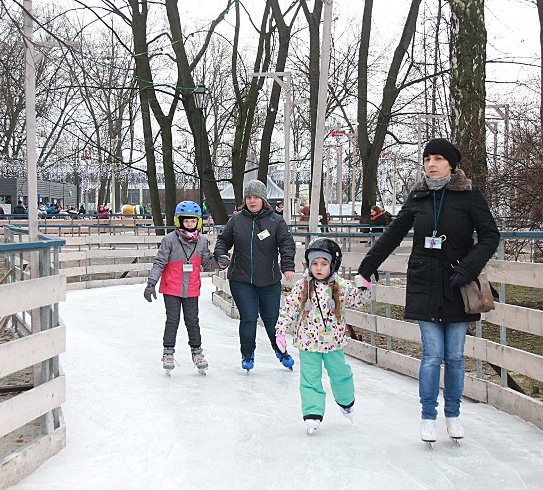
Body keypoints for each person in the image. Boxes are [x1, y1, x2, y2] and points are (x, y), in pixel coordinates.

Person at [356, 138, 500, 444]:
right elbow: (392, 234)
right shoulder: (419, 197)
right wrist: (367, 267)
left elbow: (490, 235)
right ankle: (428, 415)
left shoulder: (469, 196)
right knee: (433, 355)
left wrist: (468, 269)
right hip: (424, 282)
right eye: (426, 159)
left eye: (437, 158)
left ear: (450, 163)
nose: (431, 164)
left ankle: (453, 414)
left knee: (456, 356)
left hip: (457, 284)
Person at [275, 238, 370, 435]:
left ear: (332, 265)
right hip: (308, 342)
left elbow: (358, 300)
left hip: (333, 342)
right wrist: (281, 331)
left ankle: (346, 402)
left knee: (341, 374)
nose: (319, 268)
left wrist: (365, 285)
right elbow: (289, 308)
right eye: (315, 264)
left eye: (324, 264)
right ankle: (312, 413)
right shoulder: (302, 286)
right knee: (310, 379)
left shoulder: (341, 285)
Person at [213, 180, 297, 372]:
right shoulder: (236, 220)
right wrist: (221, 255)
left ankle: (281, 351)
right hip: (241, 280)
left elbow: (286, 244)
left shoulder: (276, 221)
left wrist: (288, 266)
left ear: (263, 199)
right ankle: (247, 354)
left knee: (272, 319)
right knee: (249, 317)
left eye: (256, 197)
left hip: (269, 280)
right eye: (249, 197)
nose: (252, 201)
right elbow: (223, 241)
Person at [144, 201, 219, 375]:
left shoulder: (202, 242)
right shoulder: (169, 240)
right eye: (186, 221)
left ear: (198, 222)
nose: (189, 225)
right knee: (173, 320)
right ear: (179, 222)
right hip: (172, 287)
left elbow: (207, 263)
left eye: (193, 221)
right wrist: (151, 283)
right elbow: (159, 263)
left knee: (192, 321)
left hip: (191, 288)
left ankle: (197, 352)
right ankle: (168, 352)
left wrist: (220, 262)